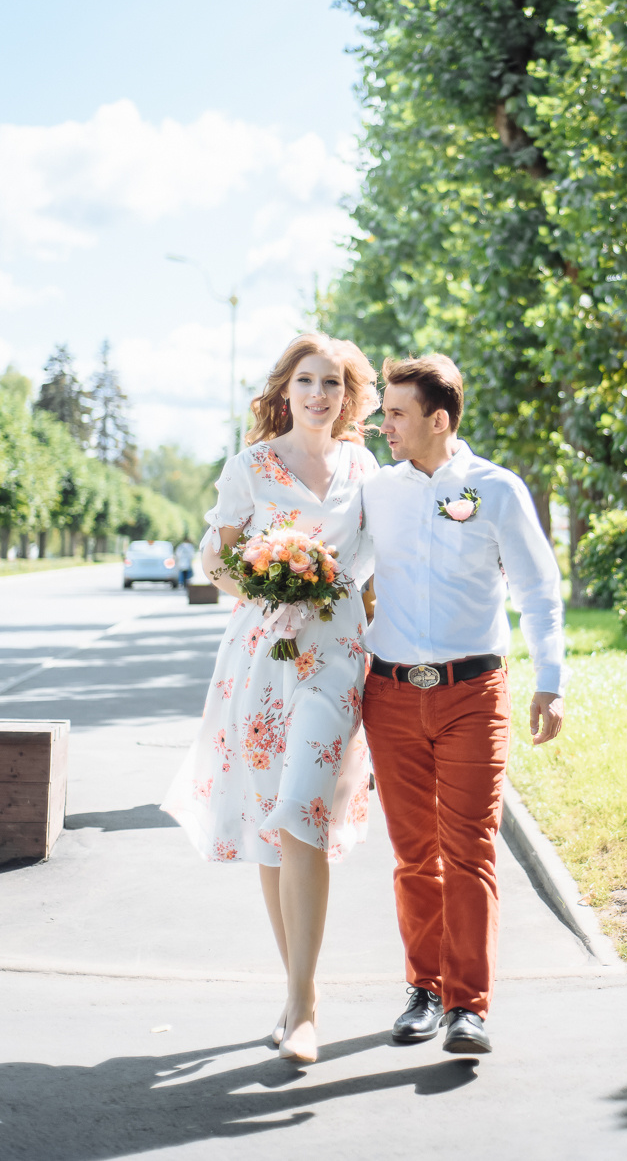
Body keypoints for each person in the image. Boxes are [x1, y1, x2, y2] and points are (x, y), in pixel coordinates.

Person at [162, 332, 379, 1064]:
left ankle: (305, 1007)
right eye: (307, 381)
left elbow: (382, 567)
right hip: (263, 658)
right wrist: (265, 583)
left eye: (333, 384)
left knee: (302, 813)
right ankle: (297, 994)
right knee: (272, 823)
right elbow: (214, 558)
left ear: (349, 398)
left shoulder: (362, 465)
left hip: (336, 659)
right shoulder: (250, 466)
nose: (320, 395)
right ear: (285, 391)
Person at [362, 353, 565, 1056]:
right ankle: (423, 989)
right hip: (388, 695)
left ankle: (466, 1006)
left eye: (394, 413)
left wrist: (552, 679)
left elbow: (537, 590)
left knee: (469, 847)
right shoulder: (375, 491)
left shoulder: (494, 490)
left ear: (437, 419)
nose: (381, 424)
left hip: (472, 694)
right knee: (414, 853)